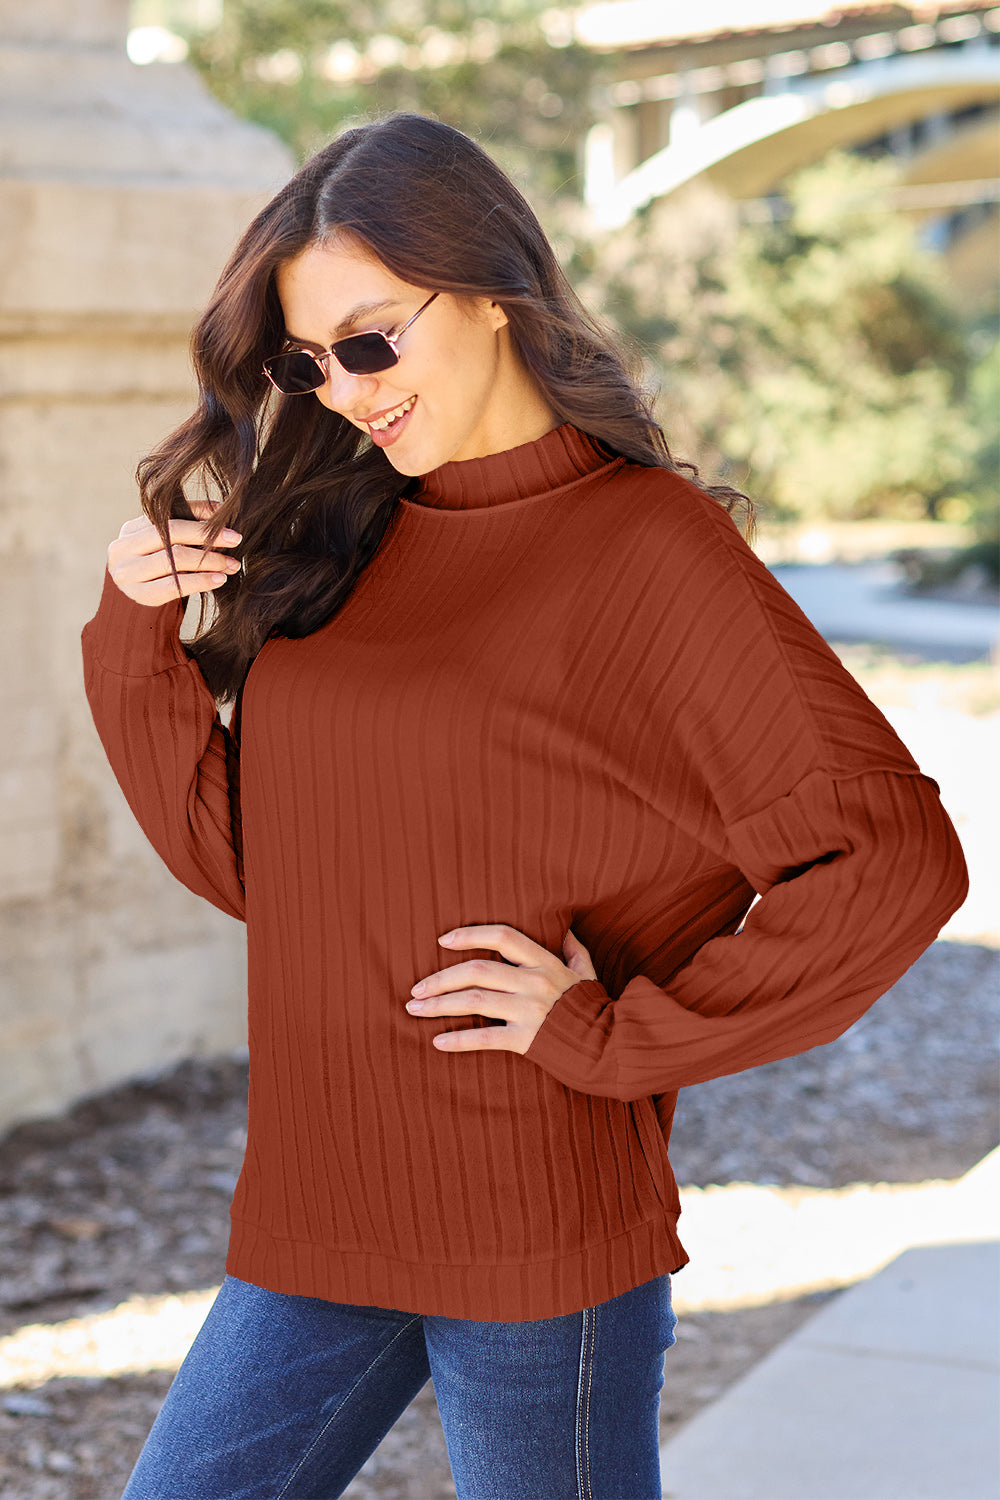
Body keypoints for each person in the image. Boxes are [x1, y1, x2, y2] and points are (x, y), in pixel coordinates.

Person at [81, 111, 968, 1500]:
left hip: (535, 1224)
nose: (345, 391)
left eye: (371, 340)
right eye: (307, 364)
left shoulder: (651, 553)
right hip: (321, 1207)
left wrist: (613, 1037)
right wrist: (141, 633)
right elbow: (260, 869)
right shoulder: (351, 534)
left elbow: (891, 862)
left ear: (492, 293)